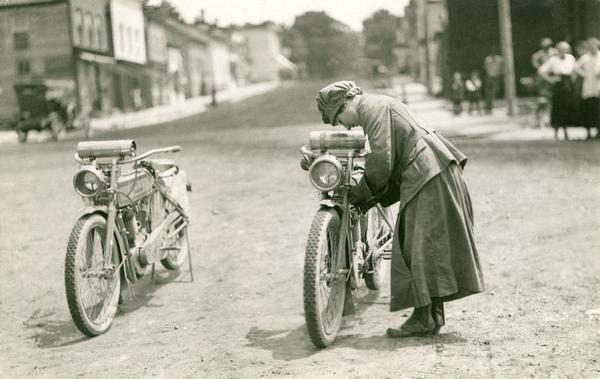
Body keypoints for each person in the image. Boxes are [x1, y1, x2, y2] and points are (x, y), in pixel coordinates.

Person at [314, 81, 485, 337]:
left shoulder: (372, 107)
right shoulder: (377, 105)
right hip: (430, 169)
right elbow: (389, 164)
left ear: (346, 103)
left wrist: (359, 193)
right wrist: (369, 198)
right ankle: (430, 317)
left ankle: (422, 319)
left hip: (428, 170)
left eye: (338, 117)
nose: (345, 126)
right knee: (425, 245)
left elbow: (382, 163)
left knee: (416, 245)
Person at [538, 41, 577, 140]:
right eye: (562, 49)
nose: (564, 51)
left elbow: (574, 70)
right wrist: (551, 79)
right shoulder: (553, 60)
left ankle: (566, 131)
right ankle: (556, 131)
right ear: (558, 50)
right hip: (559, 84)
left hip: (568, 84)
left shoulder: (570, 58)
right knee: (558, 107)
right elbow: (541, 71)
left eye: (566, 49)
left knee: (567, 106)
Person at [575, 38, 600, 139]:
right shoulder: (585, 58)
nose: (592, 49)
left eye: (594, 47)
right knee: (589, 109)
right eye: (590, 47)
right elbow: (575, 67)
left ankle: (598, 132)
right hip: (589, 86)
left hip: (598, 86)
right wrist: (584, 74)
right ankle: (588, 132)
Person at [531, 38, 557, 127]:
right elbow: (536, 66)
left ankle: (549, 120)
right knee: (543, 100)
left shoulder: (555, 53)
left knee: (553, 101)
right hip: (543, 79)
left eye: (548, 45)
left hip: (554, 77)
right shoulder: (538, 55)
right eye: (545, 45)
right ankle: (538, 120)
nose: (547, 47)